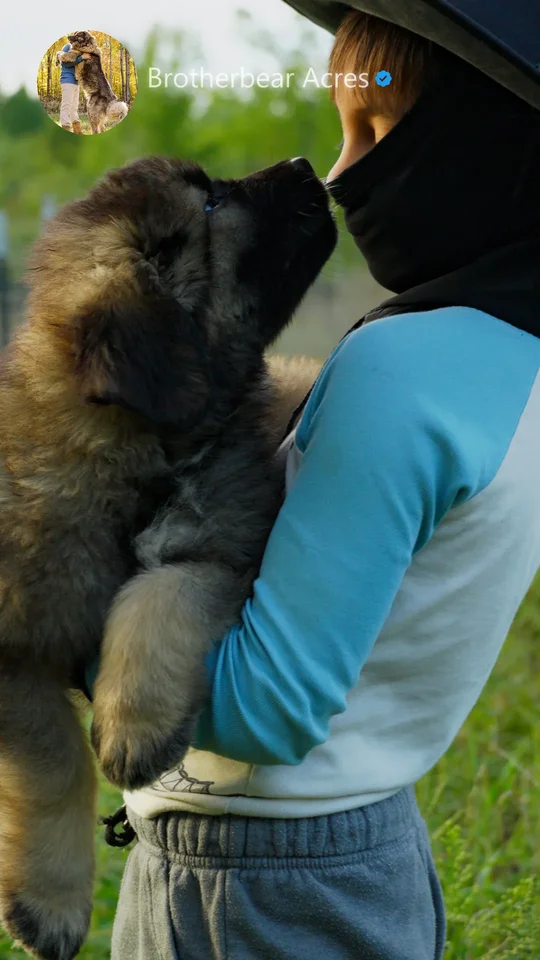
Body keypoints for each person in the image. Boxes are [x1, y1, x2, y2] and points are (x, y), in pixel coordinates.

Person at [108, 3, 540, 958]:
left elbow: (266, 705)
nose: (340, 176)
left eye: (377, 132)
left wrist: (46, 615)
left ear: (490, 142)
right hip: (352, 857)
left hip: (254, 887)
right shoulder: (512, 351)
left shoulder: (404, 367)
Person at [57, 41, 89, 133]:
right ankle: (65, 128)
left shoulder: (79, 50)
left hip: (76, 82)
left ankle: (77, 130)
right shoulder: (68, 46)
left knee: (74, 107)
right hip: (67, 80)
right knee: (66, 105)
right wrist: (81, 58)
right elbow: (65, 63)